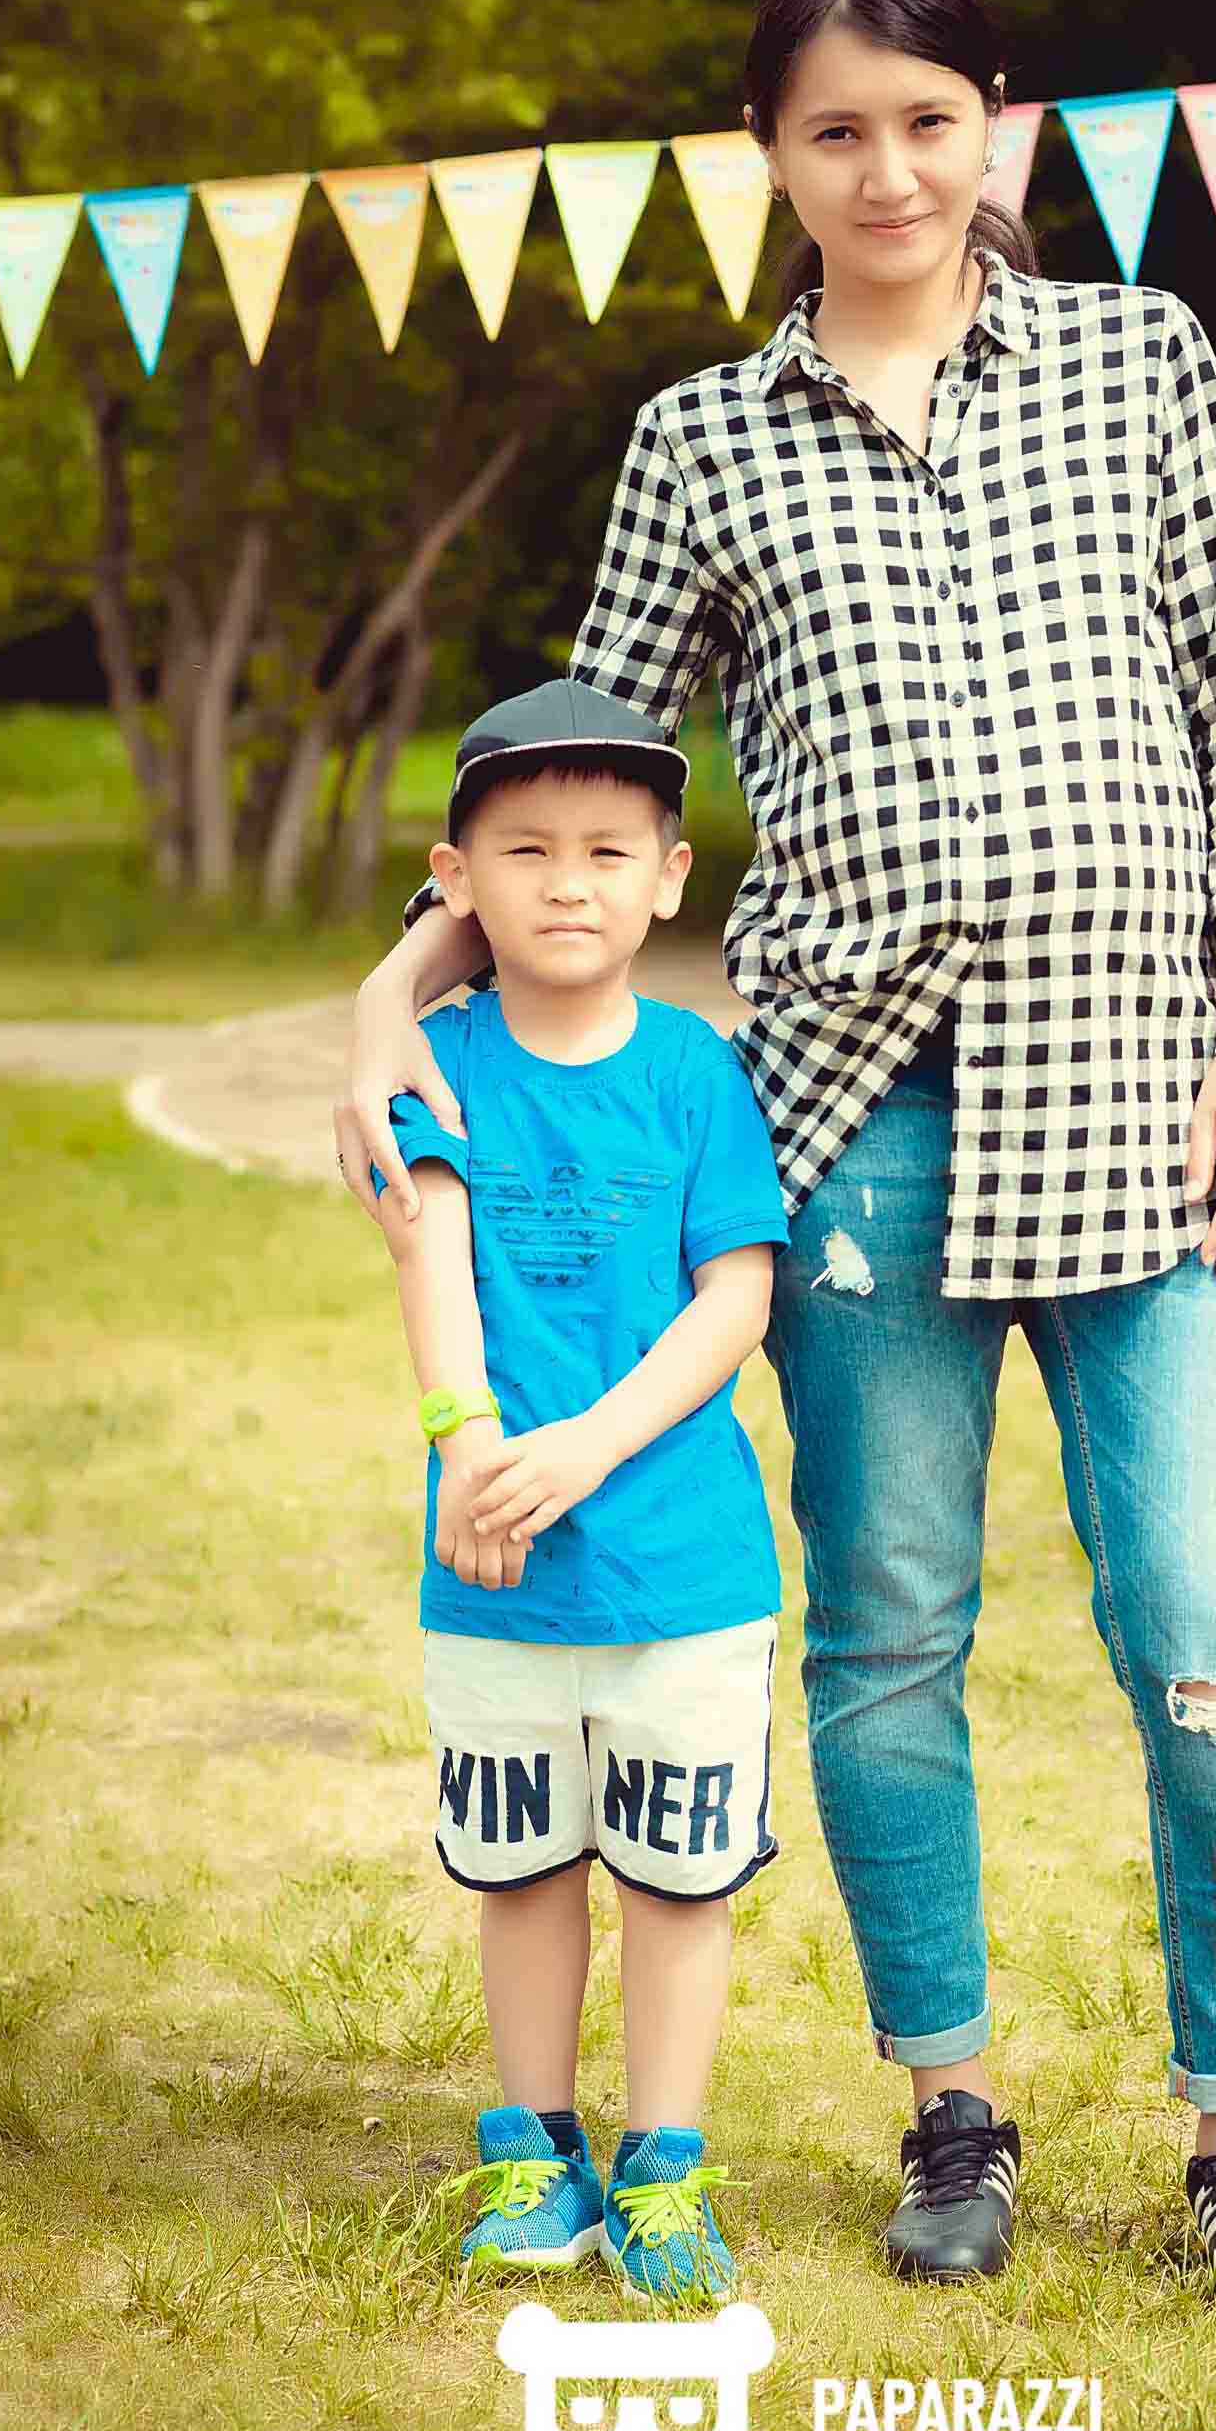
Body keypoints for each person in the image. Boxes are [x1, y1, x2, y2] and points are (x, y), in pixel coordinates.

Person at [338, 0, 1216, 2322]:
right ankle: (950, 2108)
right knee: (889, 1630)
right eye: (835, 130)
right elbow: (581, 760)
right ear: (769, 157)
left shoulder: (1138, 360)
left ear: (997, 127)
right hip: (854, 1125)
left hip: (1153, 1102)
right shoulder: (703, 440)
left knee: (1210, 1622)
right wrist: (396, 987)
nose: (887, 169)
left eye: (926, 120)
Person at [372, 681, 788, 2299]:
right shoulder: (437, 1063)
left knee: (678, 1883)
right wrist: (467, 1442)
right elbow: (430, 1260)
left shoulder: (694, 1072)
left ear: (668, 879)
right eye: (525, 850)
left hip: (683, 1569)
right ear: (455, 880)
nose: (566, 883)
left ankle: (664, 2168)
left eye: (607, 852)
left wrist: (590, 1446)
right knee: (525, 1870)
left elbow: (734, 1297)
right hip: (493, 1561)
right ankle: (532, 2154)